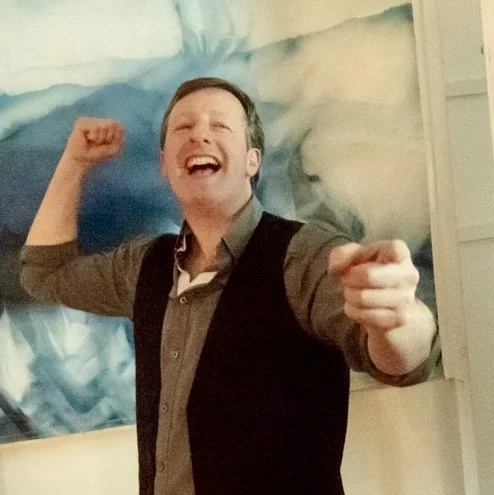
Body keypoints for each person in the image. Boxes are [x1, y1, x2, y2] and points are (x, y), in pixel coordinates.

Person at [20, 77, 438, 495]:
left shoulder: (305, 256)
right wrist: (74, 163)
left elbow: (404, 362)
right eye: (184, 127)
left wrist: (399, 321)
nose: (199, 134)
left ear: (253, 161)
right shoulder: (144, 265)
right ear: (164, 164)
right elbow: (43, 274)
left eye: (219, 125)